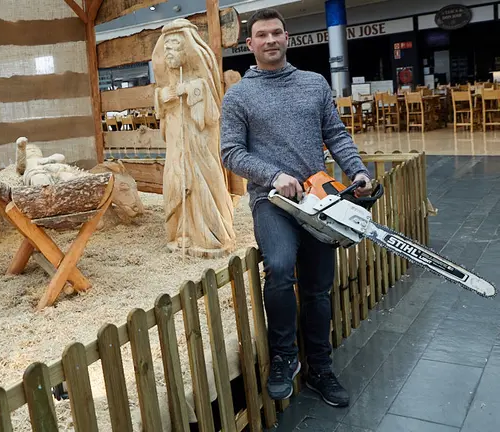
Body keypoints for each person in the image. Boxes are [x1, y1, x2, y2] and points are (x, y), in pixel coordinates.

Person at [220, 9, 372, 407]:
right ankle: (285, 357)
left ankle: (320, 366)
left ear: (287, 38)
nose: (269, 40)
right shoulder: (239, 95)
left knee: (319, 288)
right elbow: (230, 152)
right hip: (272, 201)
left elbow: (335, 133)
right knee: (282, 266)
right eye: (261, 35)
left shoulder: (313, 83)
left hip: (320, 199)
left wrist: (356, 171)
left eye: (276, 33)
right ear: (249, 45)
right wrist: (272, 175)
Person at [151, 18, 236, 258]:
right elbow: (161, 111)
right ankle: (182, 232)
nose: (170, 53)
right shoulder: (169, 77)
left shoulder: (201, 77)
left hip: (197, 145)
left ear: (187, 48)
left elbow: (210, 114)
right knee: (175, 181)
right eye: (166, 48)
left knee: (200, 182)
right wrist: (164, 96)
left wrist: (190, 90)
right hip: (177, 143)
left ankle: (209, 235)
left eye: (175, 47)